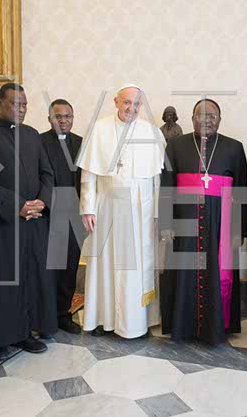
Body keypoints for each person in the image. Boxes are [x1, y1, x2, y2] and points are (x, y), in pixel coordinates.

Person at [0, 83, 57, 361]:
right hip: (4, 223)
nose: (21, 109)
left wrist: (41, 202)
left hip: (34, 221)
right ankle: (1, 339)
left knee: (30, 278)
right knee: (4, 280)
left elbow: (47, 173)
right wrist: (17, 206)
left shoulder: (32, 134)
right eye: (15, 104)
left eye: (24, 105)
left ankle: (25, 333)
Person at [77, 85, 165, 338]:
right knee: (106, 264)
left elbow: (157, 178)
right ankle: (103, 318)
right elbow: (89, 174)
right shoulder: (99, 129)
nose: (131, 108)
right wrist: (88, 209)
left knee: (137, 267)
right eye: (127, 102)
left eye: (136, 104)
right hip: (107, 207)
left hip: (141, 210)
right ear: (116, 102)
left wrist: (158, 213)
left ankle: (137, 323)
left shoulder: (151, 132)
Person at [160, 98, 247, 345]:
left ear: (219, 120)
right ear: (192, 119)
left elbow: (241, 191)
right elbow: (166, 187)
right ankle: (182, 325)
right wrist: (165, 223)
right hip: (184, 221)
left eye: (212, 116)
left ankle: (218, 325)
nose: (206, 120)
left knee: (217, 273)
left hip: (221, 224)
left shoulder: (234, 148)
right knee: (183, 272)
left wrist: (240, 229)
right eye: (200, 115)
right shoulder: (175, 146)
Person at [40, 99, 84, 334]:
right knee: (47, 269)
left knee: (69, 267)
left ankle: (63, 314)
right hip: (47, 214)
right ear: (50, 119)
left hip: (73, 213)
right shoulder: (38, 142)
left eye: (68, 116)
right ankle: (44, 317)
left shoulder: (81, 143)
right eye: (58, 116)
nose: (63, 121)